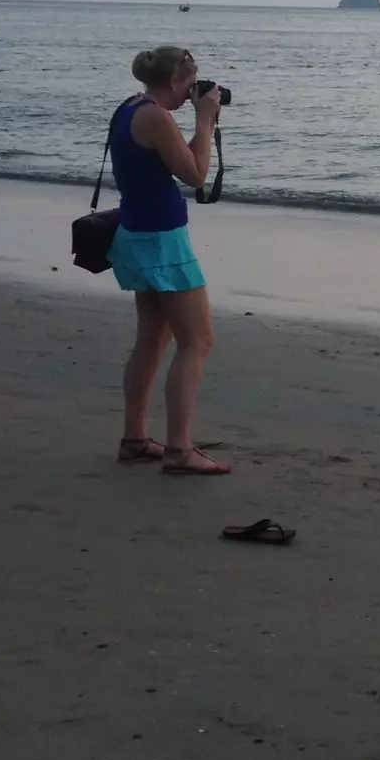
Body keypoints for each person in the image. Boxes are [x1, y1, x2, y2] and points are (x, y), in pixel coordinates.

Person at [108, 46, 229, 474]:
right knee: (198, 341)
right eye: (190, 85)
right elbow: (196, 175)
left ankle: (135, 438)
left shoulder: (131, 108)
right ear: (177, 81)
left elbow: (181, 164)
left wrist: (202, 118)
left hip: (138, 235)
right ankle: (179, 449)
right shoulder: (157, 117)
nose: (191, 93)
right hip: (161, 242)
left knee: (153, 339)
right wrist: (203, 118)